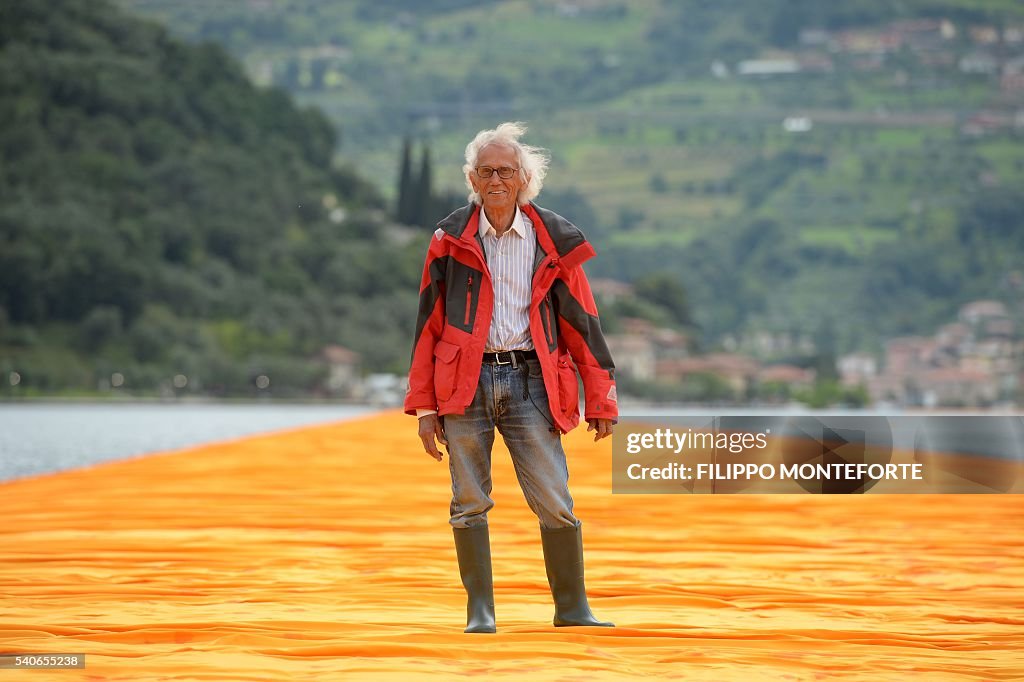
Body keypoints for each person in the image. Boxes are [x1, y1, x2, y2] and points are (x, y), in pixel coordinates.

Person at [404, 122, 617, 633]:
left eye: (506, 171)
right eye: (486, 171)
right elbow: (428, 325)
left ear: (525, 178)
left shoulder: (555, 243)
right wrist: (425, 406)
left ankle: (572, 609)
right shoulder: (448, 241)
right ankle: (481, 613)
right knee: (469, 500)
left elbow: (582, 324)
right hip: (463, 383)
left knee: (554, 497)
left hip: (533, 382)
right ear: (472, 180)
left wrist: (602, 399)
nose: (496, 179)